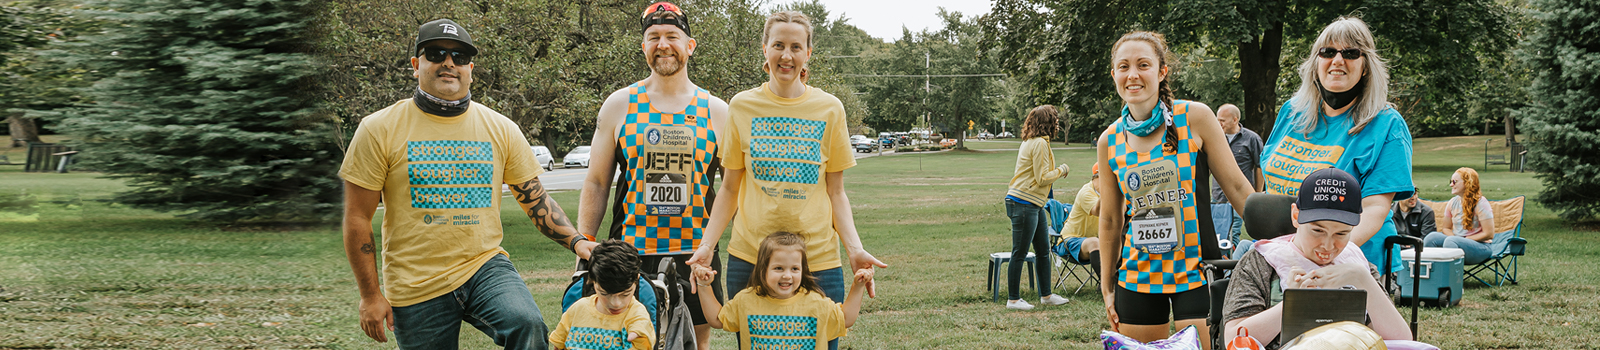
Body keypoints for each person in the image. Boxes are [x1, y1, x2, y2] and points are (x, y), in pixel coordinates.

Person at [339, 19, 597, 349]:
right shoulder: (378, 129)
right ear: (417, 66)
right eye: (436, 53)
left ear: (470, 69)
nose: (449, 62)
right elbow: (357, 217)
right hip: (416, 283)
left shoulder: (500, 128)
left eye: (459, 57)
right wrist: (370, 296)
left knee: (527, 325)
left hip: (485, 267)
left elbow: (534, 199)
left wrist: (577, 242)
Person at [685, 10, 888, 350]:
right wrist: (707, 245)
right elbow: (730, 188)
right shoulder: (742, 106)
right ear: (764, 48)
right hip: (750, 259)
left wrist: (854, 250)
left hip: (818, 261)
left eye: (796, 46)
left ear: (808, 54)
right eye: (778, 45)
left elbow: (836, 191)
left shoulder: (830, 108)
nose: (786, 55)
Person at [576, 3, 729, 348]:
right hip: (630, 252)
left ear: (690, 45)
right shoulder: (619, 104)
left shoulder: (717, 111)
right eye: (653, 37)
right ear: (643, 46)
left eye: (672, 36)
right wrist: (583, 240)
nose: (663, 44)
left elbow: (734, 187)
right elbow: (597, 182)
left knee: (694, 344)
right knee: (630, 341)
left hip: (696, 253)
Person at [1095, 31, 1256, 349]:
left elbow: (1237, 187)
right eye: (1123, 66)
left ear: (1161, 71)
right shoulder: (1108, 140)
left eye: (1143, 65)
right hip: (1137, 277)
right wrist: (1106, 283)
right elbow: (1111, 221)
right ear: (1114, 74)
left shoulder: (1194, 117)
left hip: (1198, 272)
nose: (1133, 75)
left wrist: (1280, 242)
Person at [1258, 16, 1413, 279]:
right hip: (1283, 255)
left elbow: (1376, 207)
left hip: (1349, 262)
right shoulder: (1292, 112)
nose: (1338, 60)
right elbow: (1267, 179)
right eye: (1328, 52)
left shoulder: (1387, 125)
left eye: (1351, 53)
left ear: (1365, 67)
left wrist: (1324, 254)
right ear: (1316, 62)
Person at [1222, 168, 1412, 347]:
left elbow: (1402, 340)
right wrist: (1291, 304)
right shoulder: (1259, 261)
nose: (1328, 246)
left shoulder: (1356, 265)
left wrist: (1364, 280)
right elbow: (1233, 339)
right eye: (1317, 230)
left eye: (1341, 234)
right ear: (1296, 216)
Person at [691, 232, 872, 350]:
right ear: (763, 270)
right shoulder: (746, 300)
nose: (787, 275)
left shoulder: (816, 303)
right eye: (778, 268)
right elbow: (716, 319)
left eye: (795, 269)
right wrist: (704, 285)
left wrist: (858, 285)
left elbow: (846, 319)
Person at [1002, 104, 1074, 310]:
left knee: (1043, 251)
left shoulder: (1031, 141)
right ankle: (1013, 300)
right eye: (1055, 119)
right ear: (1047, 123)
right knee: (1020, 252)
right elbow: (1042, 179)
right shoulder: (1040, 144)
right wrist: (1062, 170)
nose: (1057, 122)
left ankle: (1046, 295)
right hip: (1023, 203)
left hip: (1034, 203)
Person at [550, 240, 654, 350]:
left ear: (636, 280)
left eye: (625, 294)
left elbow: (640, 326)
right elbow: (558, 345)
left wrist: (637, 334)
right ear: (592, 281)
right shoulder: (577, 309)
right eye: (605, 294)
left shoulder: (637, 314)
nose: (616, 304)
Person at [1209, 103, 1265, 246]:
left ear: (1235, 120)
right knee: (1218, 235)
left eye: (1222, 120)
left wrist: (1257, 194)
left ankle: (1233, 266)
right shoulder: (1214, 139)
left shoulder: (1251, 139)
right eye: (1217, 120)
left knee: (1234, 233)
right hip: (1218, 197)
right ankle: (1223, 265)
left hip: (1241, 197)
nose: (1218, 123)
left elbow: (1260, 167)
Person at [1425, 168, 1495, 265]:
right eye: (1450, 181)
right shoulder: (1452, 203)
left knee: (1451, 241)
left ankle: (1450, 277)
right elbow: (1446, 228)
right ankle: (1433, 274)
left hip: (1481, 247)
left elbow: (1489, 234)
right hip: (1457, 241)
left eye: (1454, 182)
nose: (1451, 185)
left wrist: (1462, 240)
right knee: (1431, 238)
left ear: (1467, 183)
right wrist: (1456, 238)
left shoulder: (1481, 203)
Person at [1058, 164, 1103, 273]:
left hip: (1093, 240)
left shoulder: (1106, 193)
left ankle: (1119, 283)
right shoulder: (1086, 192)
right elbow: (1097, 211)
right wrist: (1108, 191)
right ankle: (1107, 285)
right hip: (1070, 240)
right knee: (1094, 242)